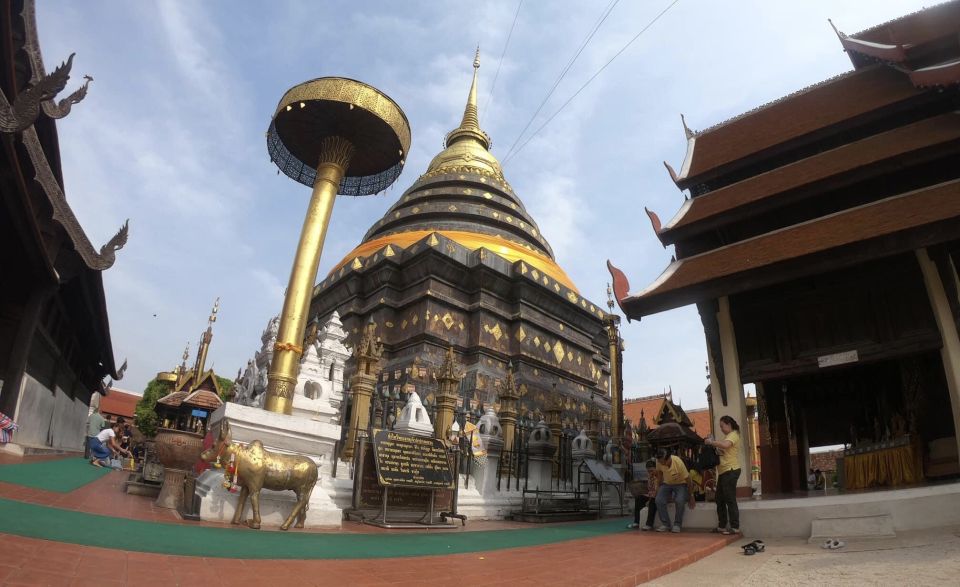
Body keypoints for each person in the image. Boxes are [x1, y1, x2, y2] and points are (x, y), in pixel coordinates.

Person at [705, 415, 742, 535]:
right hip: (723, 471)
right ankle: (722, 525)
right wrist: (714, 446)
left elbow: (725, 446)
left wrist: (712, 442)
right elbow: (723, 450)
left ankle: (735, 527)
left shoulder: (734, 434)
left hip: (731, 470)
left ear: (728, 424)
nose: (721, 428)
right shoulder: (728, 436)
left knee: (729, 498)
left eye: (722, 426)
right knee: (719, 498)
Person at [654, 447, 691, 533]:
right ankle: (666, 524)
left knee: (679, 500)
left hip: (681, 484)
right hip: (666, 483)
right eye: (659, 461)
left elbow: (689, 480)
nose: (660, 463)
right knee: (658, 500)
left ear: (668, 459)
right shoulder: (659, 461)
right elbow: (660, 475)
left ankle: (677, 524)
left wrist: (691, 495)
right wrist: (657, 490)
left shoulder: (678, 462)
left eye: (662, 462)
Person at [627, 459, 659, 531]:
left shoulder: (659, 476)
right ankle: (636, 522)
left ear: (656, 468)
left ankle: (649, 524)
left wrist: (650, 498)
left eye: (651, 470)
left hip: (658, 495)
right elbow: (650, 489)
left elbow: (657, 490)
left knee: (652, 502)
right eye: (648, 471)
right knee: (639, 498)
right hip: (651, 494)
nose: (650, 472)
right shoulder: (650, 476)